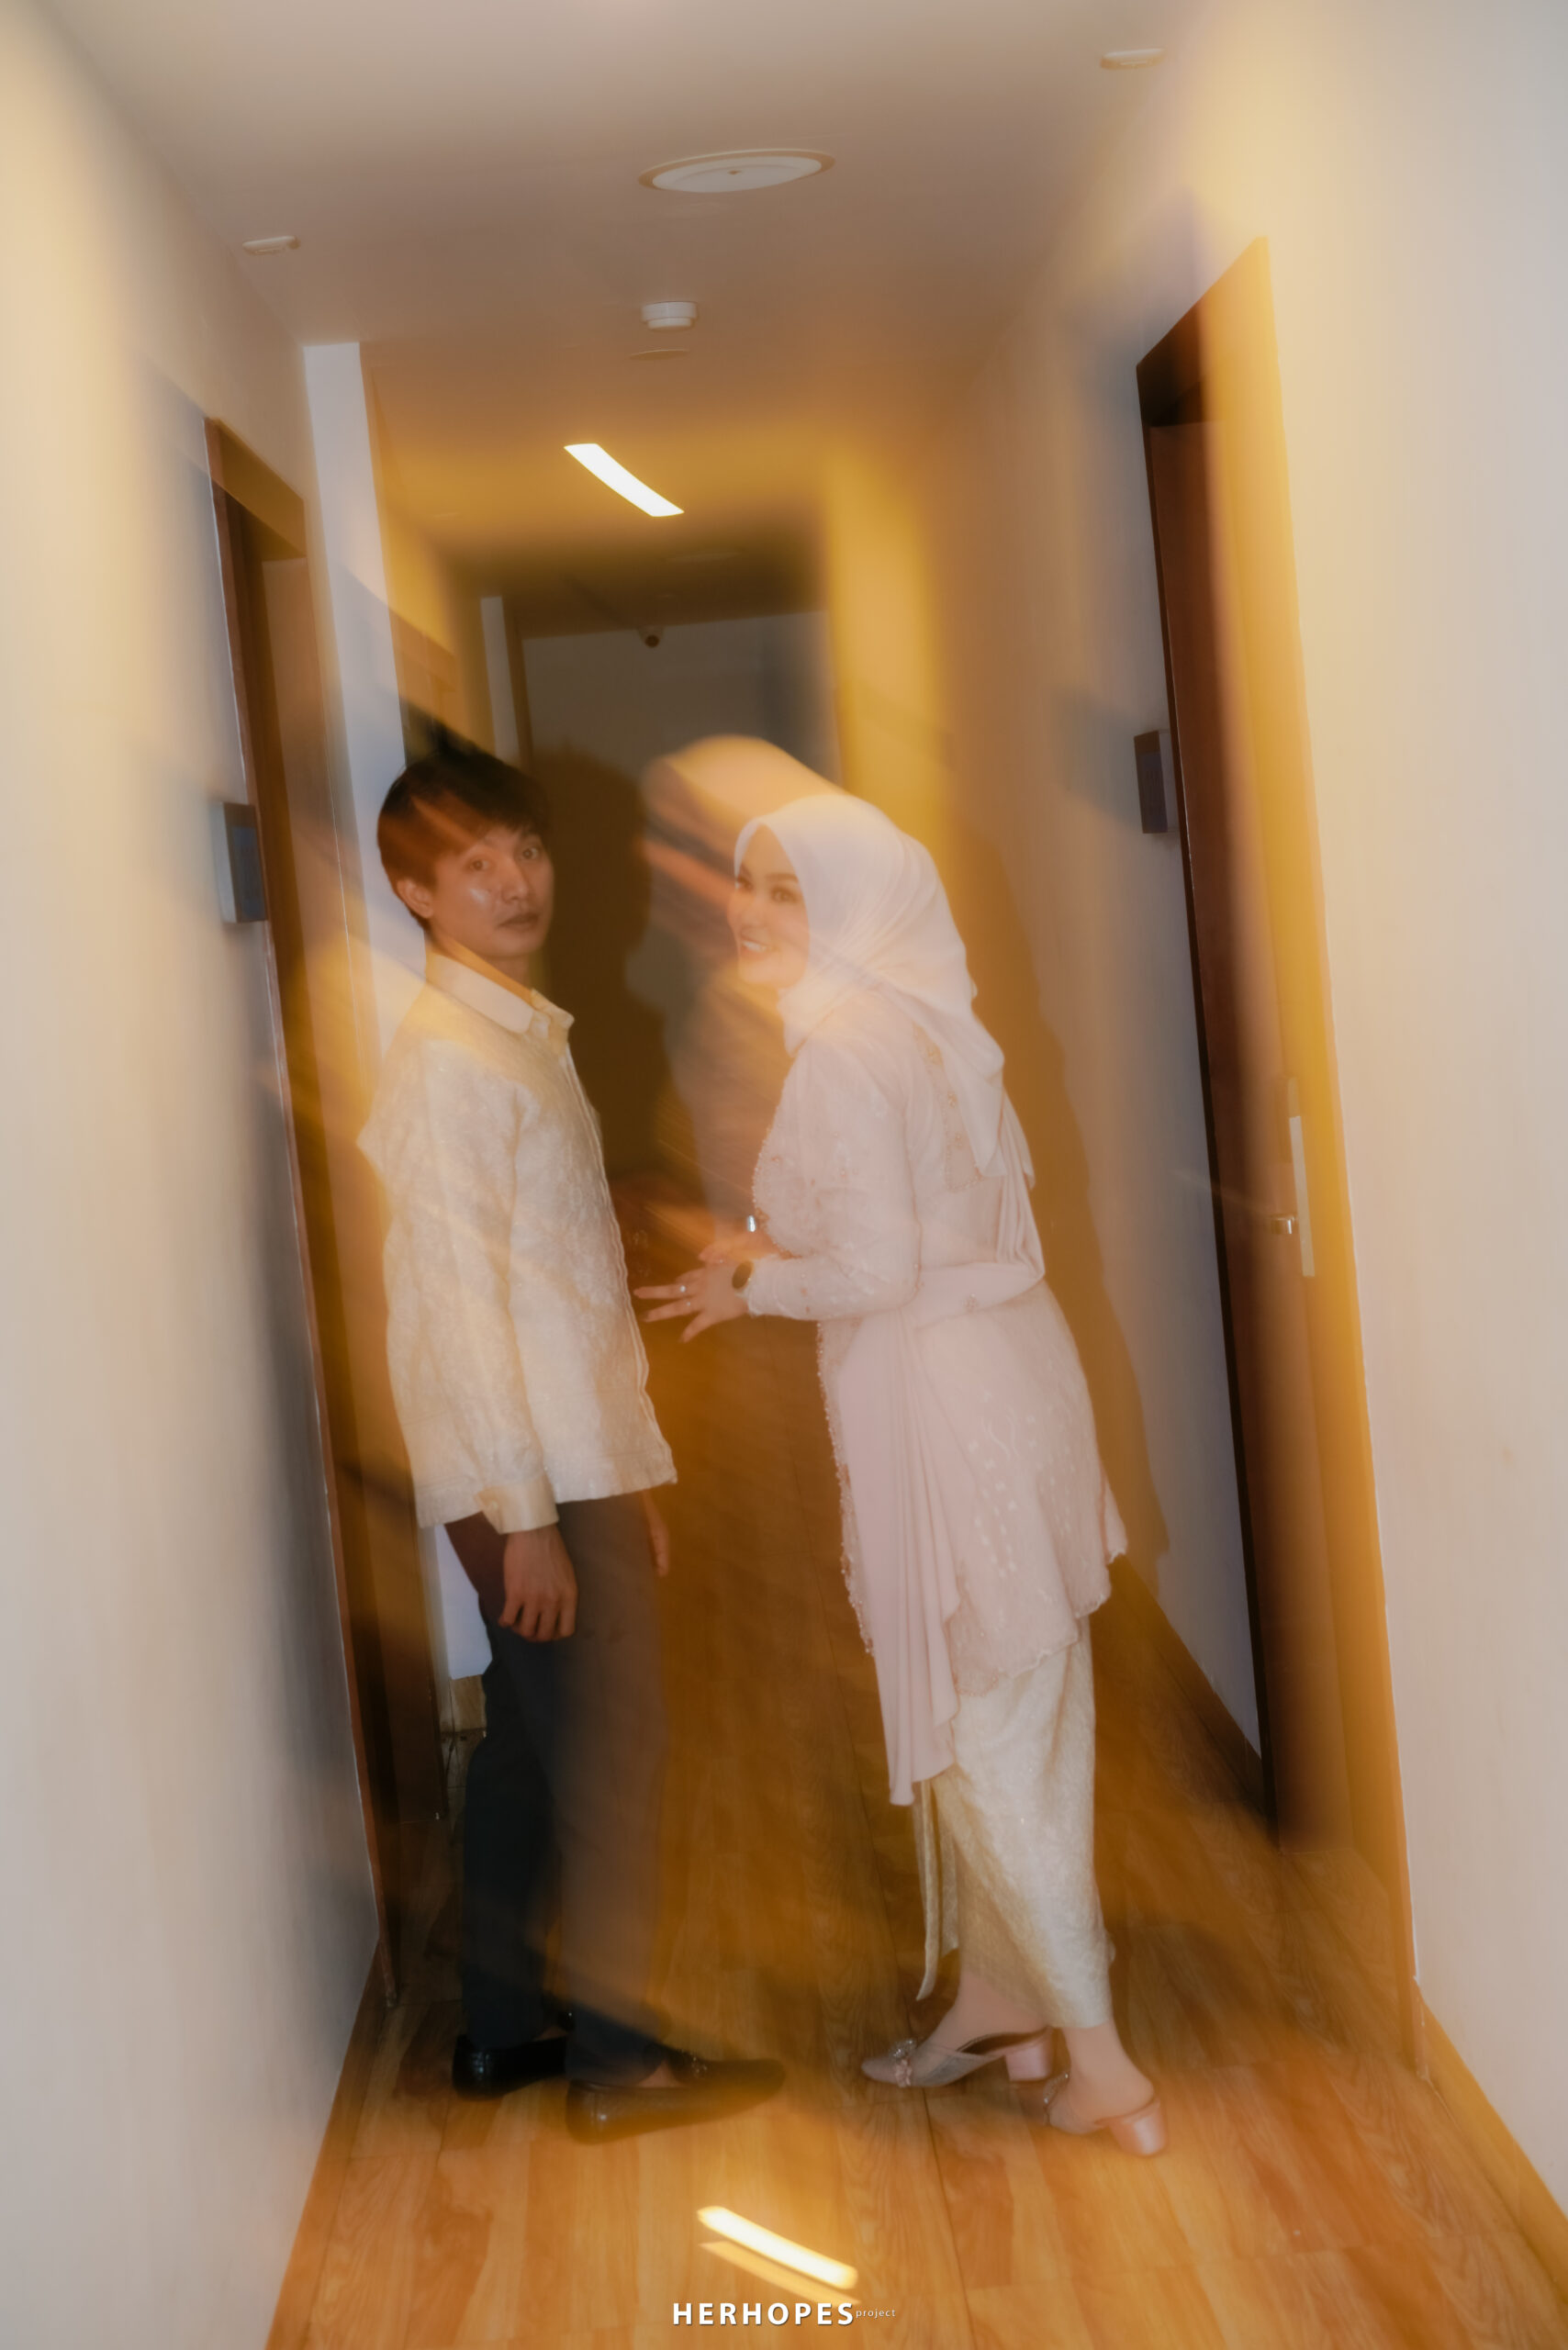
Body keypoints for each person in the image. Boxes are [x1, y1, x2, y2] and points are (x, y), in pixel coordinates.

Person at [640, 789, 1164, 2154]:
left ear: (856, 906)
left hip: (944, 1410)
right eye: (749, 884)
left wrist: (750, 1290)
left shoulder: (843, 1052)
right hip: (1011, 1383)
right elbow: (928, 1224)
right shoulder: (929, 1025)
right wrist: (768, 1252)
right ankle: (1003, 2005)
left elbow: (875, 1268)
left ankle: (1104, 2064)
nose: (751, 912)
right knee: (1025, 1715)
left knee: (988, 1742)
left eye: (789, 890)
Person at [359, 743, 781, 2143]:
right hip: (524, 1474)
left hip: (562, 1461)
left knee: (534, 1757)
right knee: (612, 1764)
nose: (514, 880)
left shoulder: (515, 1037)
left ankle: (500, 2031)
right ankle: (618, 2063)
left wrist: (622, 1475)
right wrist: (530, 1517)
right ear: (417, 893)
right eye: (473, 863)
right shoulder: (448, 1066)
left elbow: (566, 1289)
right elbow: (460, 1315)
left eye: (525, 850)